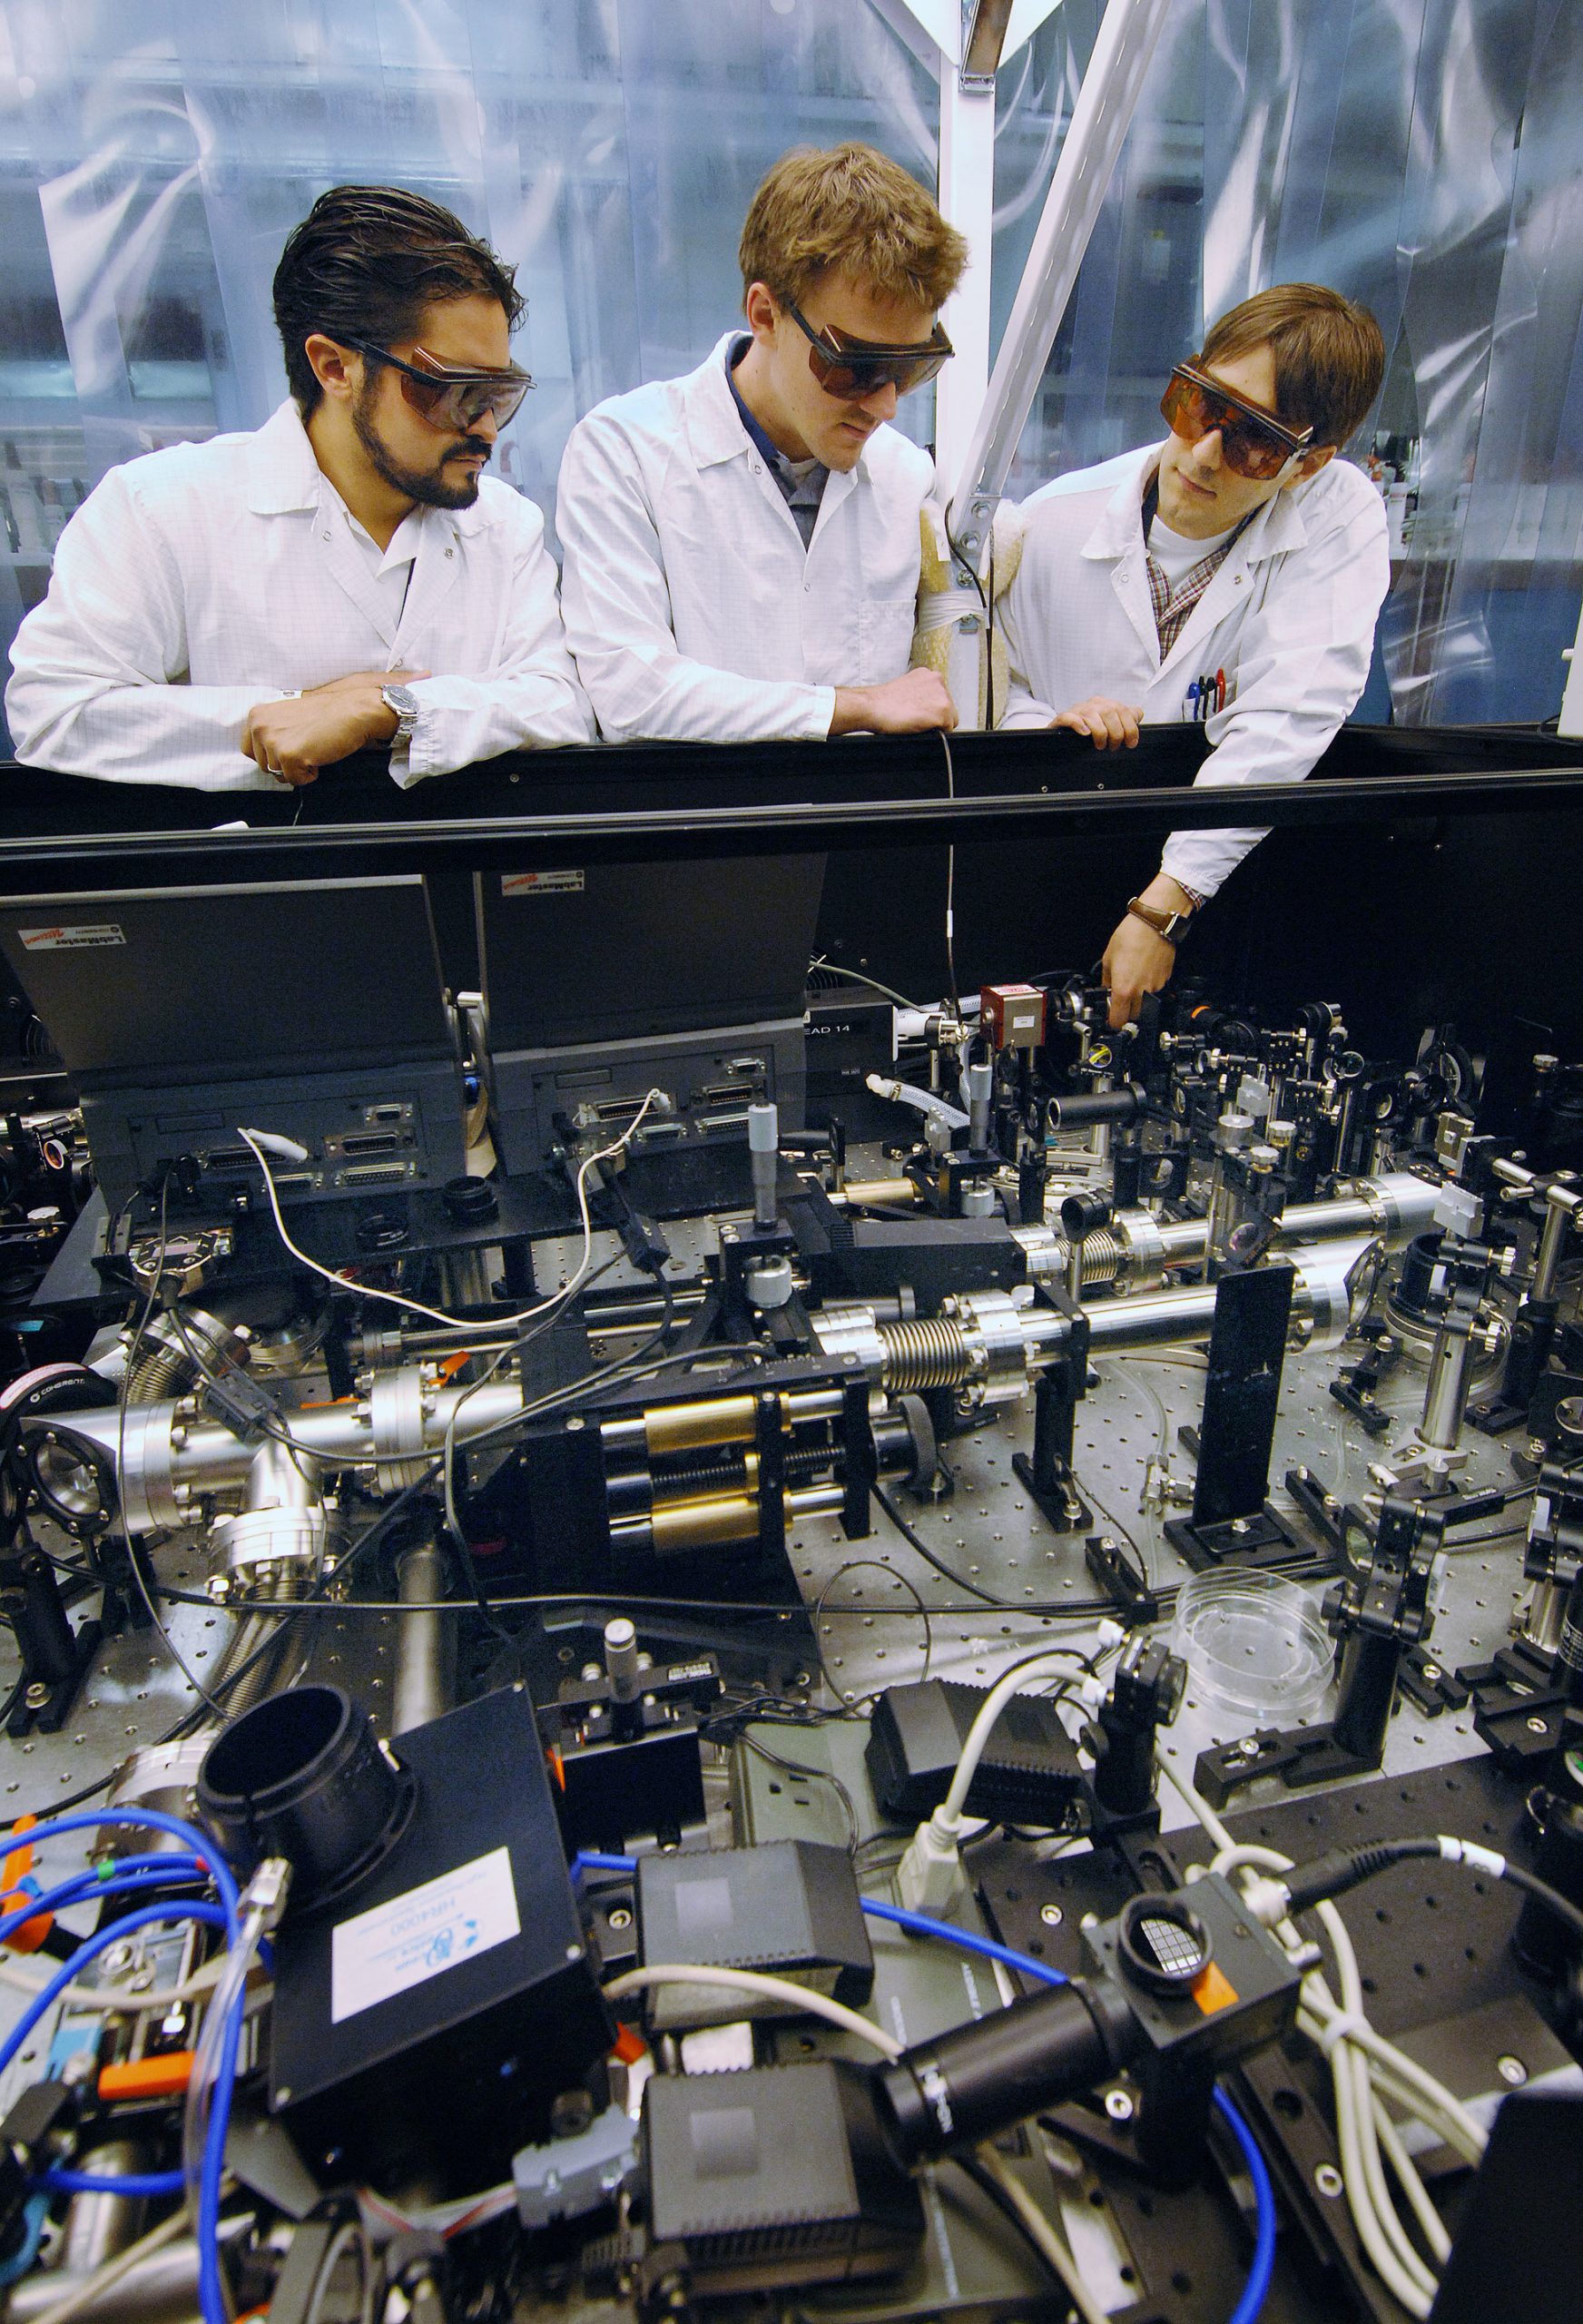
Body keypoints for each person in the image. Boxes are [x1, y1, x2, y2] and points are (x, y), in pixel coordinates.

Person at [5, 185, 591, 789]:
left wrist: (389, 712)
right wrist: (286, 709)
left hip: (455, 875)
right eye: (453, 392)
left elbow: (563, 702)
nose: (487, 428)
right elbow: (55, 713)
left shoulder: (505, 527)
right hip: (261, 876)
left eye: (496, 395)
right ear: (335, 367)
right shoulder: (164, 508)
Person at [998, 283, 1389, 1028]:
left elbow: (1288, 716)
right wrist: (1047, 727)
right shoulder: (1053, 520)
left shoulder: (1337, 510)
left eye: (1255, 440)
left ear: (1309, 463)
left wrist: (1162, 912)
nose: (1206, 454)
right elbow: (1002, 690)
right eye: (1200, 405)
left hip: (1220, 883)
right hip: (1050, 858)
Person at [556, 143, 966, 744]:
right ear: (765, 314)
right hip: (700, 830)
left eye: (911, 369)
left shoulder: (905, 477)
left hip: (857, 832)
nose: (886, 406)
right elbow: (631, 694)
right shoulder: (623, 452)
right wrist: (854, 706)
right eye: (856, 367)